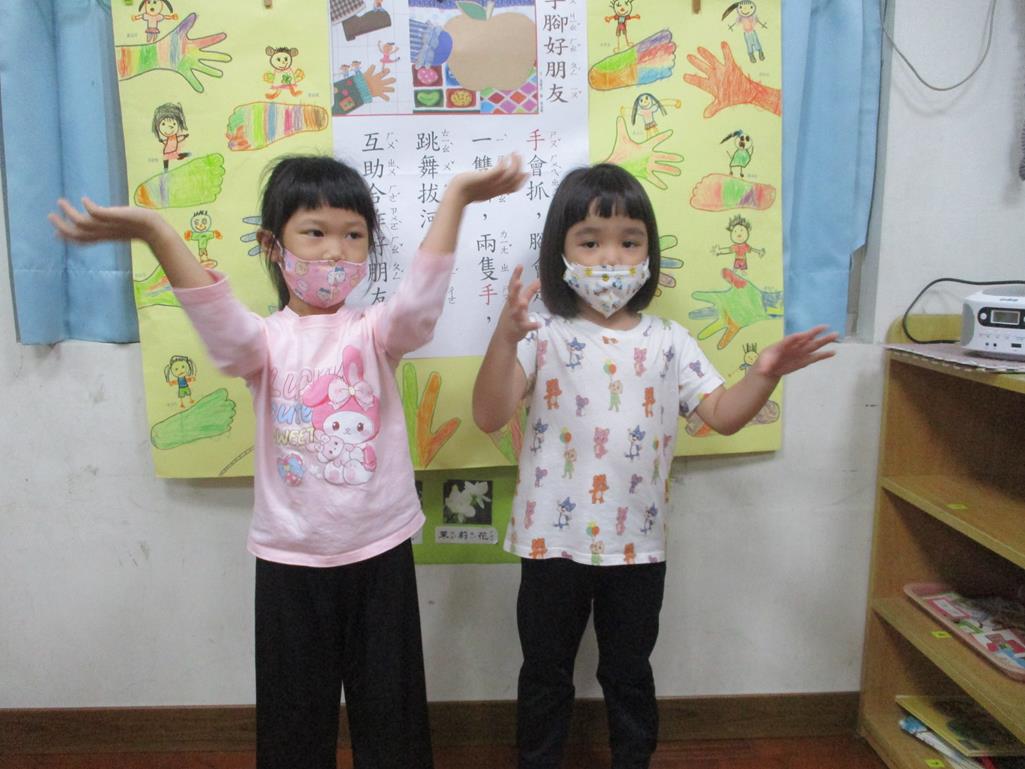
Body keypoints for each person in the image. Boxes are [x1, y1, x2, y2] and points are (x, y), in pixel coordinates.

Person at [50, 152, 527, 769]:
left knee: (393, 719)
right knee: (293, 727)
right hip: (290, 559)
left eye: (353, 236)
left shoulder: (375, 330)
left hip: (380, 551)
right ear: (273, 247)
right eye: (315, 232)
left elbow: (417, 309)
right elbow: (220, 323)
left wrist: (456, 197)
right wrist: (156, 231)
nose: (335, 252)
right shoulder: (265, 341)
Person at [472, 163, 835, 769]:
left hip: (637, 547)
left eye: (629, 241)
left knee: (629, 671)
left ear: (649, 252)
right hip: (549, 542)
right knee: (544, 671)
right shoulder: (543, 336)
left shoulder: (670, 340)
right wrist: (505, 338)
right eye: (590, 242)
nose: (611, 257)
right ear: (560, 252)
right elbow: (488, 414)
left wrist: (763, 373)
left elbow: (721, 415)